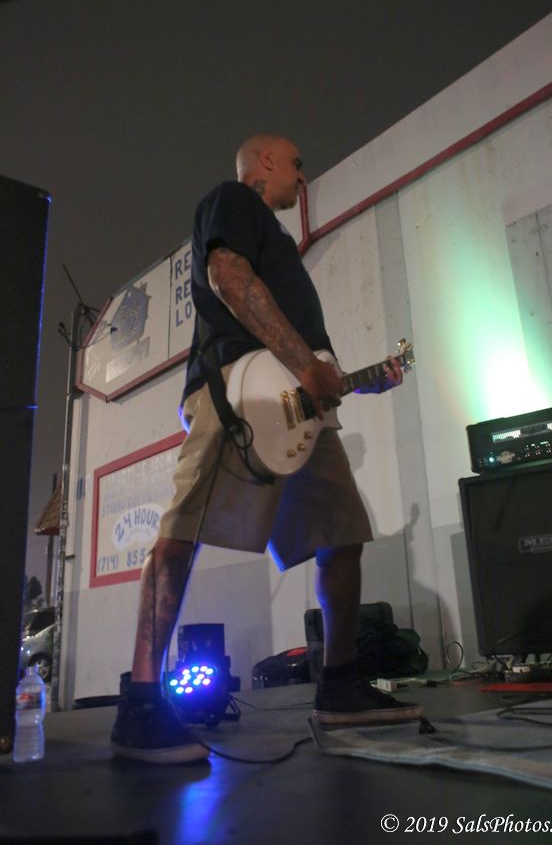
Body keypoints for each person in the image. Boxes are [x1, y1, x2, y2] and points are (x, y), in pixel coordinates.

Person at [110, 134, 422, 764]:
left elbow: (313, 369)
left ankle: (340, 684)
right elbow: (228, 276)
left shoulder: (277, 240)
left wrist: (352, 378)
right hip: (238, 389)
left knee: (344, 533)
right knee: (181, 531)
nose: (303, 177)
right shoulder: (233, 200)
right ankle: (141, 703)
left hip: (296, 405)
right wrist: (308, 366)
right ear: (267, 161)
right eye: (297, 164)